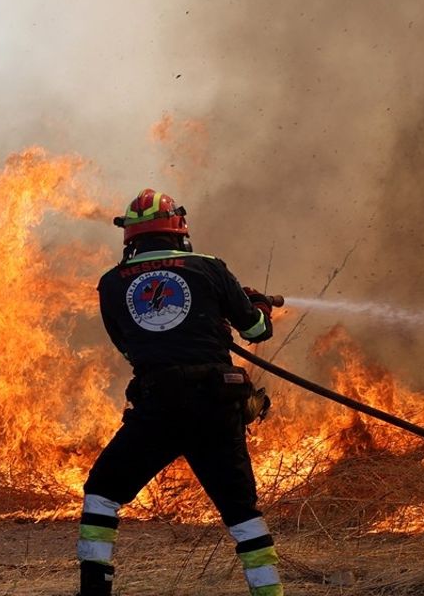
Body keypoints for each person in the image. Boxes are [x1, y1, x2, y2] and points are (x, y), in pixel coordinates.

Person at [77, 188, 284, 596]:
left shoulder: (111, 283)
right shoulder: (208, 267)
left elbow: (127, 347)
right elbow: (257, 331)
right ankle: (268, 592)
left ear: (130, 237)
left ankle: (93, 590)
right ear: (179, 230)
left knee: (102, 494)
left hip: (157, 409)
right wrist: (256, 306)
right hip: (215, 407)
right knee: (241, 512)